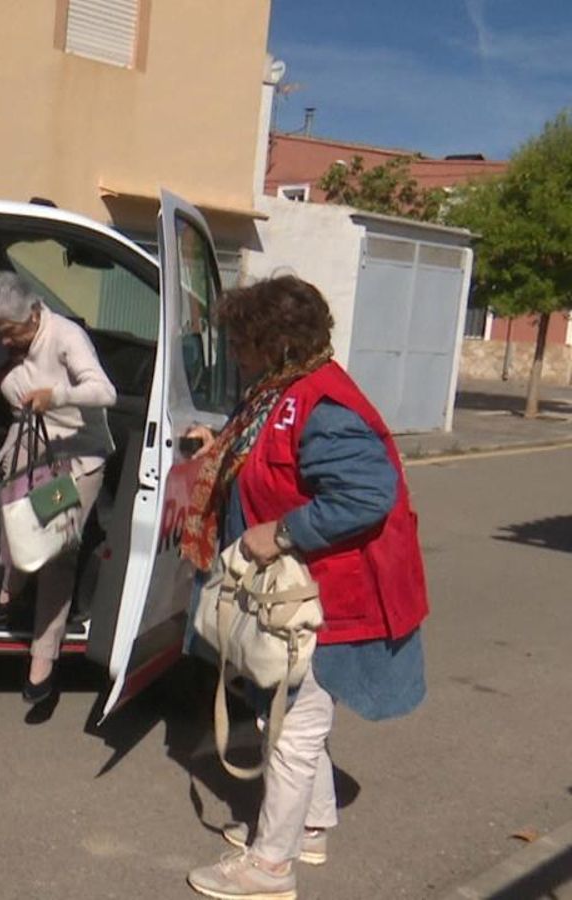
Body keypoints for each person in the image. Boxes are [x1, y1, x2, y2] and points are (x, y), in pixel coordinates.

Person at [179, 275, 428, 900]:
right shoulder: (284, 391)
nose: (235, 353)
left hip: (328, 601)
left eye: (242, 342)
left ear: (276, 344)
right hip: (305, 597)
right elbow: (271, 451)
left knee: (292, 729)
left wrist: (283, 532)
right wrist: (221, 448)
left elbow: (369, 495)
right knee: (285, 715)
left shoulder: (323, 407)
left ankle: (270, 867)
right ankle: (310, 826)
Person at [0, 272, 117, 705]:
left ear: (34, 314)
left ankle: (43, 657)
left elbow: (104, 391)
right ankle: (10, 587)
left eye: (12, 332)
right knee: (16, 523)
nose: (6, 342)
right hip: (28, 447)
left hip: (72, 459)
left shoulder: (64, 336)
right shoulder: (4, 340)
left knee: (56, 549)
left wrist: (54, 396)